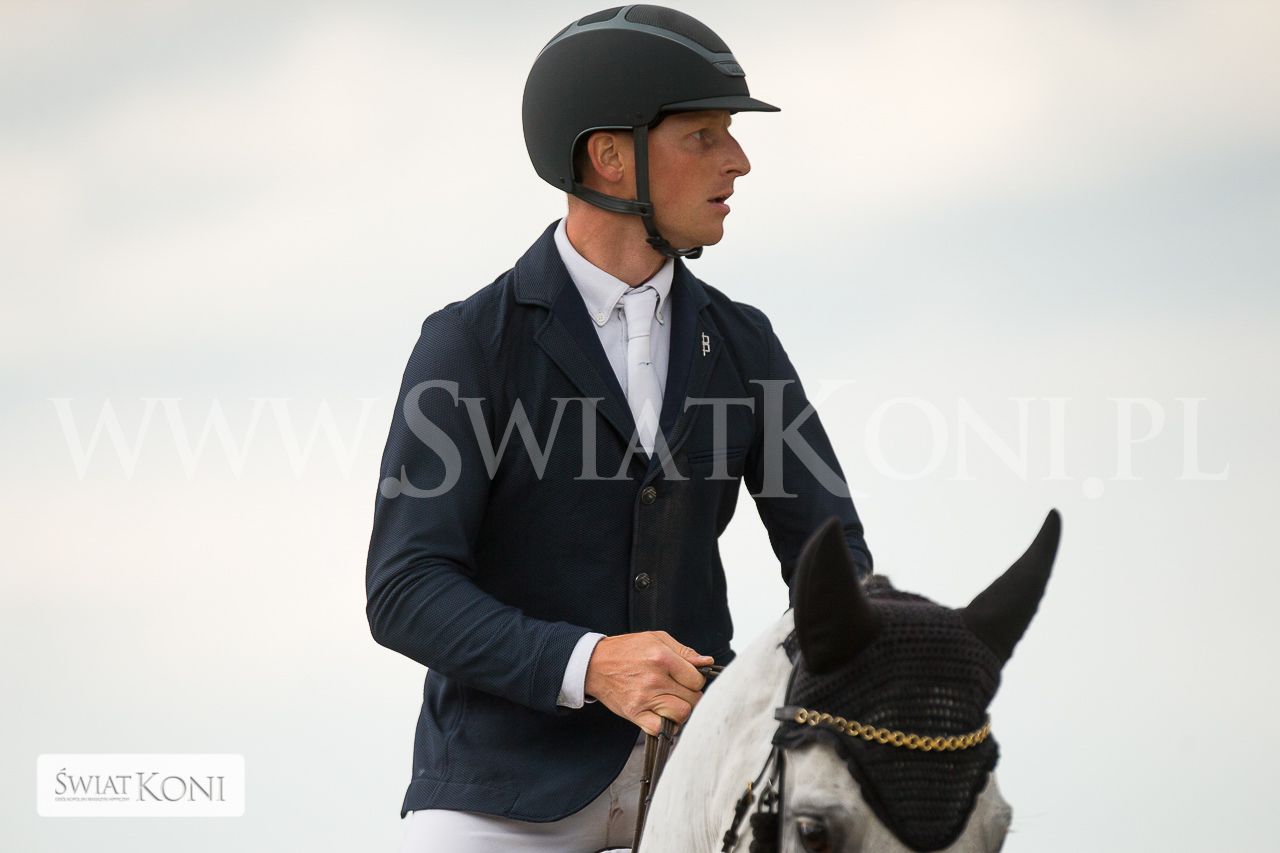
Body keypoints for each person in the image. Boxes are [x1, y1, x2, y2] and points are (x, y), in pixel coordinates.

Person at [365, 6, 873, 851]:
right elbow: (405, 589)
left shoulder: (744, 342)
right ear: (609, 155)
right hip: (504, 792)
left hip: (700, 778)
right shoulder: (470, 344)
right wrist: (589, 663)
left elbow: (834, 558)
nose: (738, 160)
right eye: (703, 136)